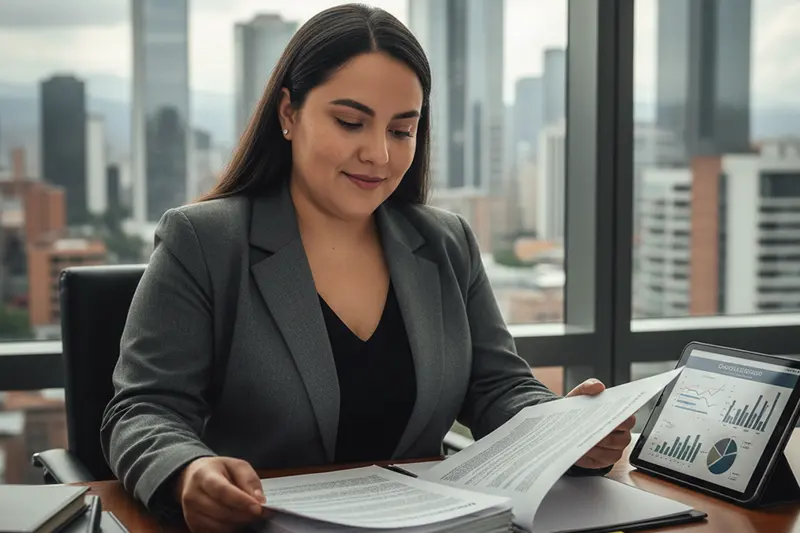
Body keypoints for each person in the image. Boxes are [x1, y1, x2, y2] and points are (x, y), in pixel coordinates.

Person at [100, 4, 634, 533]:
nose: (378, 154)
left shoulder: (446, 241)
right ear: (288, 114)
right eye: (351, 122)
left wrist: (566, 431)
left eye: (402, 131)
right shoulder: (204, 242)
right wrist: (187, 471)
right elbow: (144, 410)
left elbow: (497, 387)